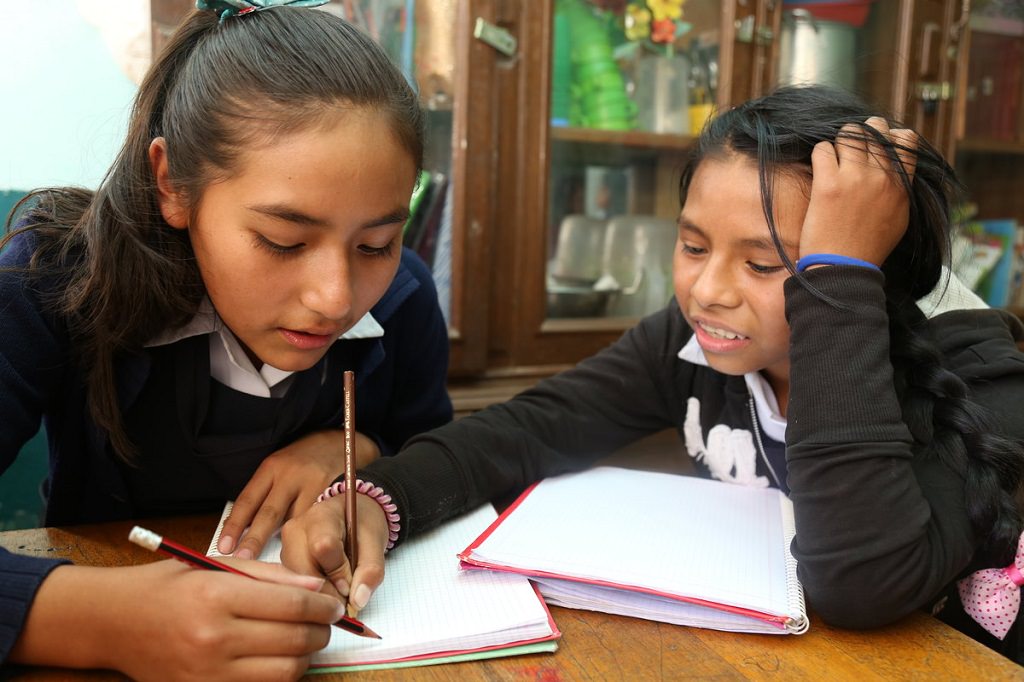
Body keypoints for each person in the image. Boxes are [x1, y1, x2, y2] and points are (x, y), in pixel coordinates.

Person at [286, 84, 1024, 662]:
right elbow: (533, 428)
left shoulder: (982, 380)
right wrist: (379, 502)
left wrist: (837, 281)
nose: (709, 290)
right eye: (694, 246)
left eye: (765, 264)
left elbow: (862, 585)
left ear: (864, 271)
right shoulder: (703, 340)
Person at [0, 1, 452, 678]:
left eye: (377, 243)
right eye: (283, 240)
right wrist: (96, 620)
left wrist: (366, 452)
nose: (336, 296)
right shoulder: (55, 281)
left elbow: (443, 458)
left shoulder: (404, 298)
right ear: (172, 184)